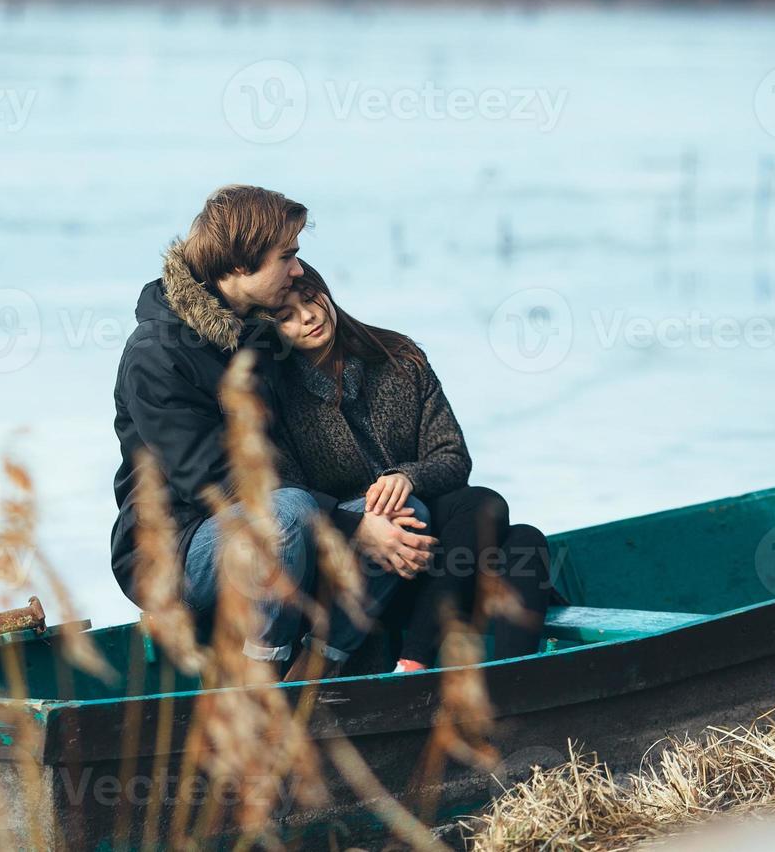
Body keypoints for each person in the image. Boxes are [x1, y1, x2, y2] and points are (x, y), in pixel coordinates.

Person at [109, 184, 426, 674]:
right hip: (174, 551)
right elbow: (212, 482)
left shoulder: (259, 333)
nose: (298, 270)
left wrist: (381, 497)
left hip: (284, 521)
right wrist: (348, 526)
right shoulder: (157, 354)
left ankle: (318, 671)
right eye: (288, 256)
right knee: (289, 513)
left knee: (401, 511)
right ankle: (258, 687)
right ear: (240, 264)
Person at [270, 261, 554, 673]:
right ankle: (420, 660)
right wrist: (366, 523)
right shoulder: (277, 393)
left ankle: (502, 691)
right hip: (353, 568)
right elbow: (290, 499)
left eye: (311, 299)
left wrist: (406, 477)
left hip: (429, 557)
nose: (308, 317)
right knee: (495, 522)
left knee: (518, 535)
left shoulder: (398, 357)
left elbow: (453, 458)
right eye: (286, 316)